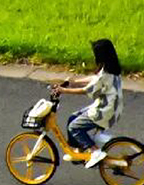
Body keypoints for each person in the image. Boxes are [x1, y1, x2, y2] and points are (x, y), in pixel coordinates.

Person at [49, 39, 123, 168]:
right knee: (73, 117)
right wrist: (75, 81)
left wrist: (64, 90)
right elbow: (94, 80)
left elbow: (87, 90)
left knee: (74, 127)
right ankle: (79, 151)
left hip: (104, 111)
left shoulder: (104, 75)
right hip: (110, 107)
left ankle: (95, 151)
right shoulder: (111, 68)